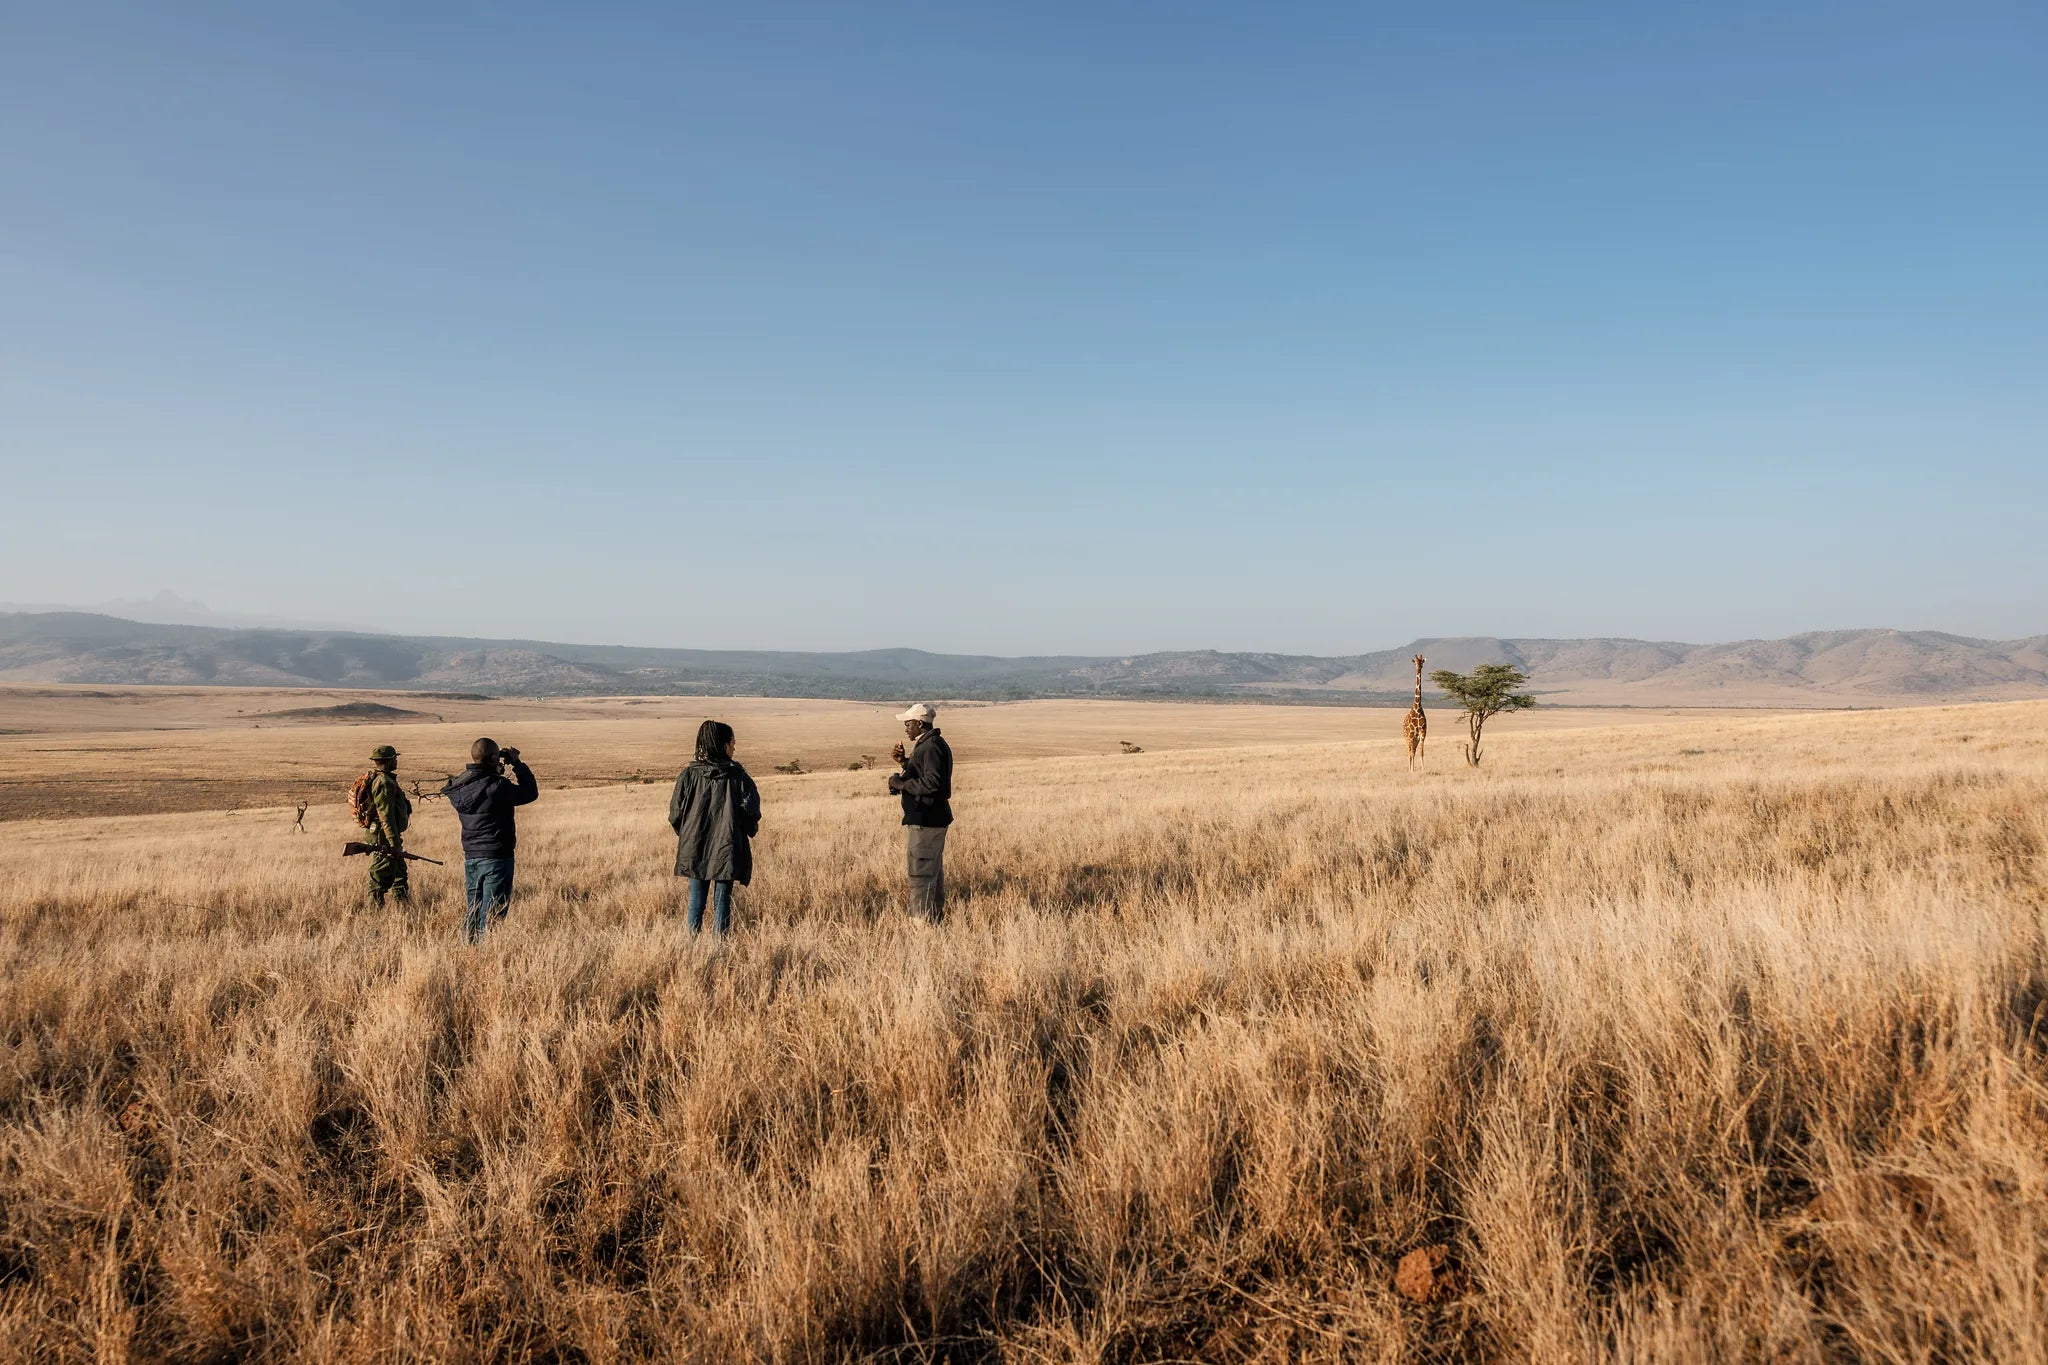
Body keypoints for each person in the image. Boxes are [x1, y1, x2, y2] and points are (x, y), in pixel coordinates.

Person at [667, 719, 763, 935]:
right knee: (722, 902)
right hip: (727, 847)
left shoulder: (688, 776)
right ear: (723, 744)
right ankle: (720, 949)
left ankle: (690, 950)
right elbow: (751, 812)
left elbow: (675, 814)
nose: (734, 747)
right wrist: (748, 830)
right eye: (732, 742)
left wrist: (688, 835)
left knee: (695, 903)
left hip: (695, 847)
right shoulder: (738, 777)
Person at [443, 737, 539, 943]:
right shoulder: (497, 786)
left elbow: (472, 782)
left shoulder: (461, 787)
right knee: (494, 913)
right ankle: (488, 953)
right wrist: (517, 763)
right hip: (496, 856)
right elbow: (530, 792)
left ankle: (468, 949)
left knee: (474, 910)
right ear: (494, 758)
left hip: (471, 857)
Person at [887, 702, 952, 924]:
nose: (906, 728)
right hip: (930, 818)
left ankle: (921, 924)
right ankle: (935, 920)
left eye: (908, 723)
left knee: (920, 872)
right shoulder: (930, 744)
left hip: (926, 819)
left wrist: (901, 784)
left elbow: (933, 784)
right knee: (931, 871)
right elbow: (927, 776)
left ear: (920, 723)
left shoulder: (931, 747)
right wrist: (905, 763)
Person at [360, 744, 412, 907]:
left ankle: (403, 908)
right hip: (384, 835)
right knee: (381, 874)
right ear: (389, 761)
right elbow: (386, 815)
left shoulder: (382, 778)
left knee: (399, 873)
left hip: (387, 834)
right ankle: (373, 912)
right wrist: (393, 843)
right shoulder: (384, 782)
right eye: (395, 758)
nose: (396, 760)